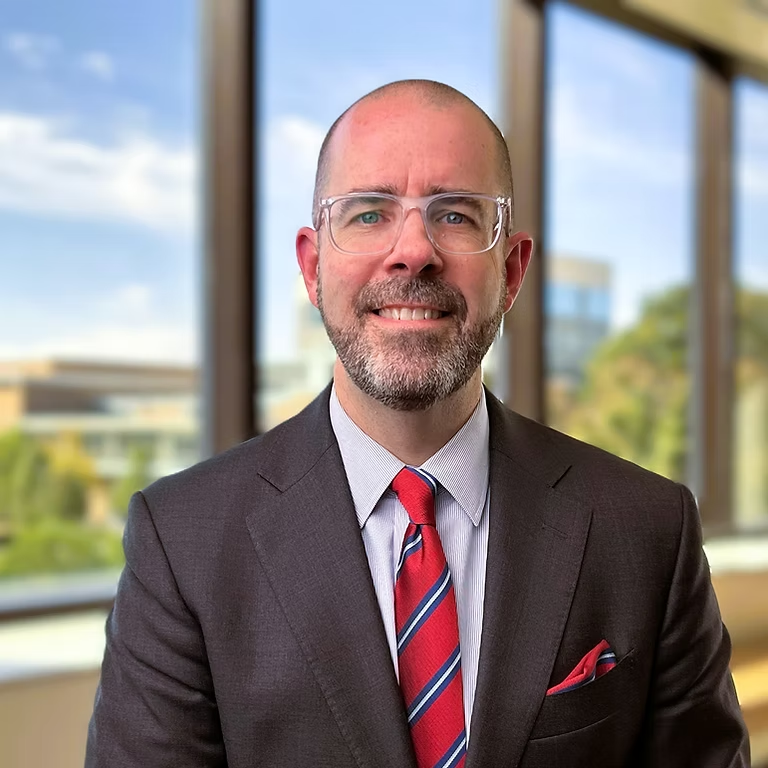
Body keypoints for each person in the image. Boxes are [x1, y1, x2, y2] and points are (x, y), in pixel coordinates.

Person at [86, 79, 749, 768]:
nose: (413, 251)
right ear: (313, 269)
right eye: (370, 213)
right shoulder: (183, 541)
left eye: (456, 215)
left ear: (513, 271)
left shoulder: (646, 529)